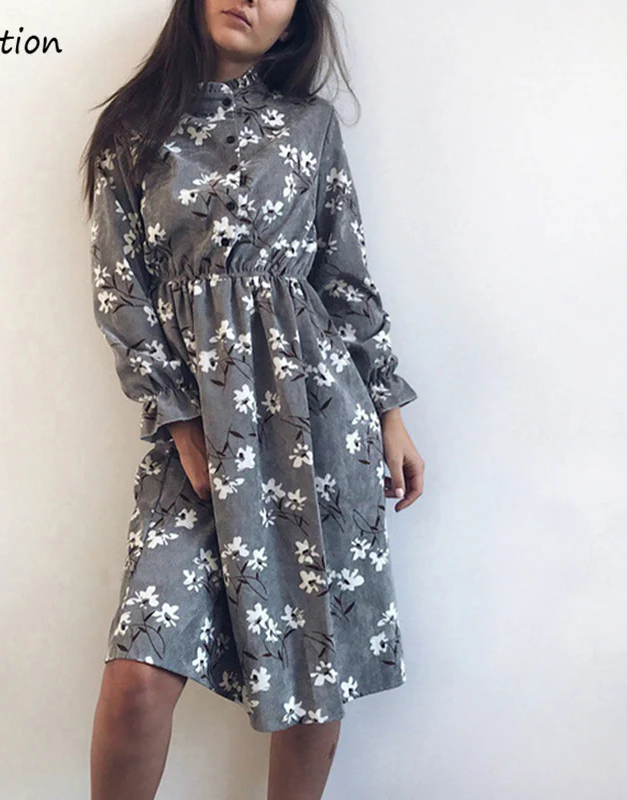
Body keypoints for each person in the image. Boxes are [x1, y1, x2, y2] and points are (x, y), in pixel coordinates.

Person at [80, 1, 425, 797]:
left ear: (294, 22)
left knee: (312, 671)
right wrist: (181, 425)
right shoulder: (133, 130)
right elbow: (119, 295)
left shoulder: (311, 127)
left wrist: (389, 411)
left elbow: (344, 278)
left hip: (317, 421)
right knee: (138, 677)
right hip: (197, 436)